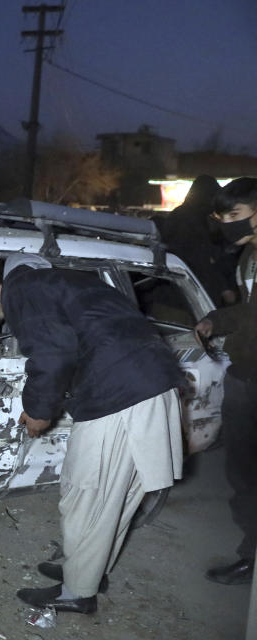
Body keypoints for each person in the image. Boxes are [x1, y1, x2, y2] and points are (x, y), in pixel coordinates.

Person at [0, 254, 184, 614]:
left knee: (85, 491)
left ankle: (77, 592)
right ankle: (87, 569)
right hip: (153, 383)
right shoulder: (64, 282)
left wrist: (38, 410)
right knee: (114, 496)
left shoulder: (23, 287)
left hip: (119, 394)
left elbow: (53, 354)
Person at [195, 176, 257, 586]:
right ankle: (251, 554)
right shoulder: (248, 256)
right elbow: (249, 313)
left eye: (235, 216)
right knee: (244, 474)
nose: (228, 225)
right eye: (222, 217)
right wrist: (216, 320)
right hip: (245, 375)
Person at [153, 175, 237, 306]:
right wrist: (224, 288)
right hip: (195, 291)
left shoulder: (181, 214)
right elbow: (200, 256)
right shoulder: (196, 219)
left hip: (175, 288)